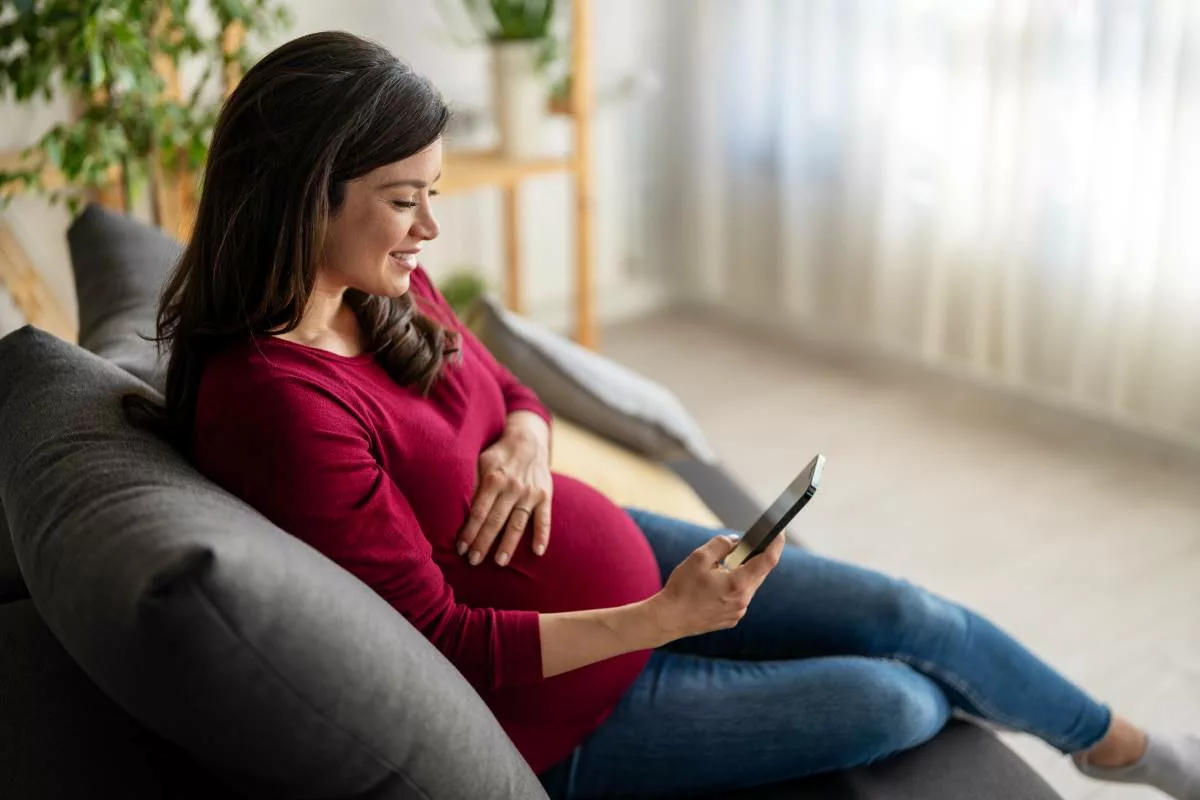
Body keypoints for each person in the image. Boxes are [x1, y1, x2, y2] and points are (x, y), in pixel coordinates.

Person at [131, 31, 1199, 800]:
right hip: (562, 713)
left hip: (629, 573)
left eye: (432, 194)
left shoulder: (376, 284)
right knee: (902, 701)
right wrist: (667, 619)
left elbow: (511, 393)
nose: (430, 229)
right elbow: (440, 645)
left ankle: (1134, 749)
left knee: (912, 615)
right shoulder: (278, 401)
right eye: (405, 199)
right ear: (304, 192)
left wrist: (525, 441)